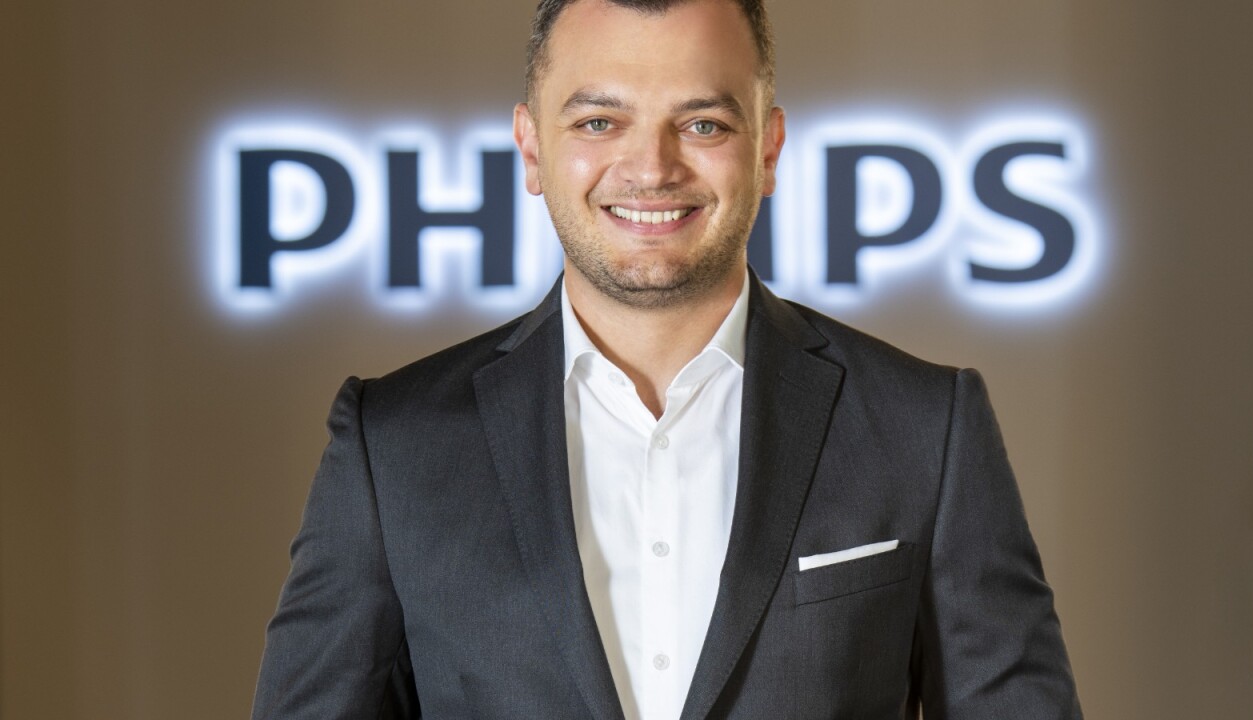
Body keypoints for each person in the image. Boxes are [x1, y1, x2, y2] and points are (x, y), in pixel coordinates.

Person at [251, 0, 1083, 717]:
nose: (651, 168)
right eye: (599, 122)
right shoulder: (391, 447)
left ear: (767, 149)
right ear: (532, 148)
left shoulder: (926, 428)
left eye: (702, 124)